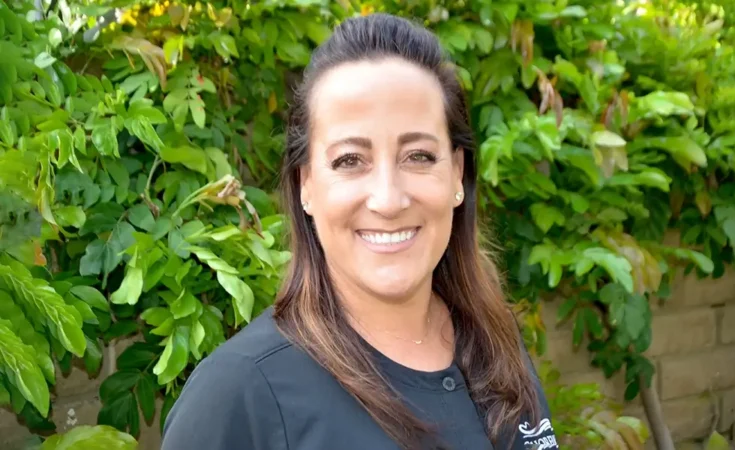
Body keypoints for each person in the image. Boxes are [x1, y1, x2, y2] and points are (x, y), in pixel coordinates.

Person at [161, 13, 559, 450]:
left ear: (457, 175)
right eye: (350, 160)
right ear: (305, 185)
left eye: (419, 156)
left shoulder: (493, 340)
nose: (388, 199)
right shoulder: (240, 395)